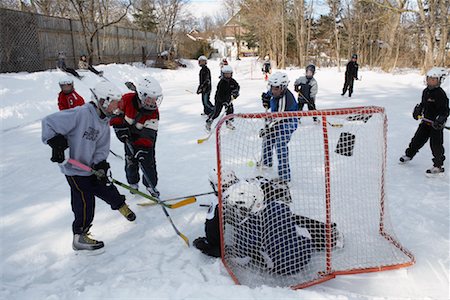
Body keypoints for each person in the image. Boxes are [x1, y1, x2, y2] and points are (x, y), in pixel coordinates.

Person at [41, 81, 136, 252]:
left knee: (105, 185)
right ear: (102, 101)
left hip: (89, 167)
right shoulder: (81, 113)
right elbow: (49, 122)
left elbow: (101, 147)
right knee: (85, 200)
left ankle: (120, 205)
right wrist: (56, 142)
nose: (117, 106)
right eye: (114, 102)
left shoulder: (104, 120)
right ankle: (80, 236)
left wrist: (101, 163)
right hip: (74, 168)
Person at [194, 171, 343, 276]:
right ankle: (328, 236)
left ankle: (324, 236)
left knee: (255, 243)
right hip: (303, 251)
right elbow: (277, 192)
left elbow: (229, 248)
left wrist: (208, 247)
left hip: (280, 266)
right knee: (292, 221)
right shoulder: (272, 202)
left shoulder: (227, 208)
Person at [110, 76, 162, 198]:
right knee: (130, 161)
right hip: (128, 137)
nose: (153, 102)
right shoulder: (127, 99)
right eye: (150, 99)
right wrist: (119, 127)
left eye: (155, 99)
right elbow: (115, 114)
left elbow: (150, 133)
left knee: (148, 162)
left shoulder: (154, 112)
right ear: (141, 95)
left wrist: (143, 149)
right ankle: (133, 183)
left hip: (145, 140)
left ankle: (150, 185)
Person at [399, 67, 449, 175]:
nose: (431, 81)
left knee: (436, 145)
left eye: (434, 79)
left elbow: (445, 111)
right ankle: (409, 155)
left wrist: (440, 119)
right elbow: (423, 104)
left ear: (439, 80)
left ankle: (438, 165)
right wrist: (418, 110)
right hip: (425, 122)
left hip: (436, 125)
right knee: (416, 140)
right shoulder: (426, 91)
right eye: (429, 79)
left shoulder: (441, 94)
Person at [259, 72, 298, 182]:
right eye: (272, 88)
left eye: (276, 88)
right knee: (268, 139)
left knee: (280, 144)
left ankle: (285, 177)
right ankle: (266, 162)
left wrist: (268, 128)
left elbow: (277, 119)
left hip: (288, 122)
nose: (273, 91)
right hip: (276, 120)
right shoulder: (275, 92)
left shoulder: (286, 99)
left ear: (283, 87)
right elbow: (268, 95)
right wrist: (265, 99)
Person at [205, 65, 240, 131]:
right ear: (223, 74)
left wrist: (236, 92)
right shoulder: (221, 83)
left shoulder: (232, 81)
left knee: (230, 110)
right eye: (226, 74)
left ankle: (228, 123)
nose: (228, 75)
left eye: (229, 74)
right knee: (217, 112)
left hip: (229, 99)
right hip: (219, 100)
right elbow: (219, 94)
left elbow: (237, 86)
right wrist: (224, 101)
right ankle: (209, 121)